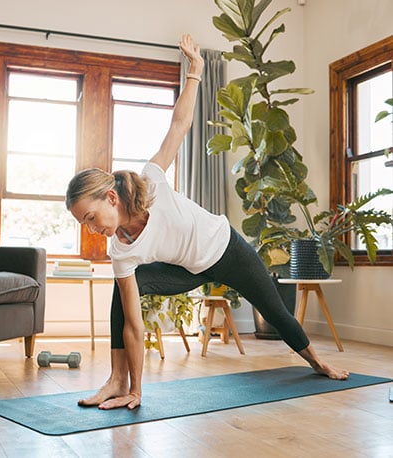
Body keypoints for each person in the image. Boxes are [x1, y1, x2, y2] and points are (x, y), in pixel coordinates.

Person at [66, 34, 349, 411]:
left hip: (226, 249)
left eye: (90, 217)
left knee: (276, 312)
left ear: (112, 198)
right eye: (83, 223)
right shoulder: (120, 249)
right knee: (123, 293)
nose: (91, 228)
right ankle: (118, 382)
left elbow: (179, 126)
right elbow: (133, 324)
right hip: (188, 270)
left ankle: (318, 362)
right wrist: (138, 390)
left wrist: (196, 71)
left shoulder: (152, 183)